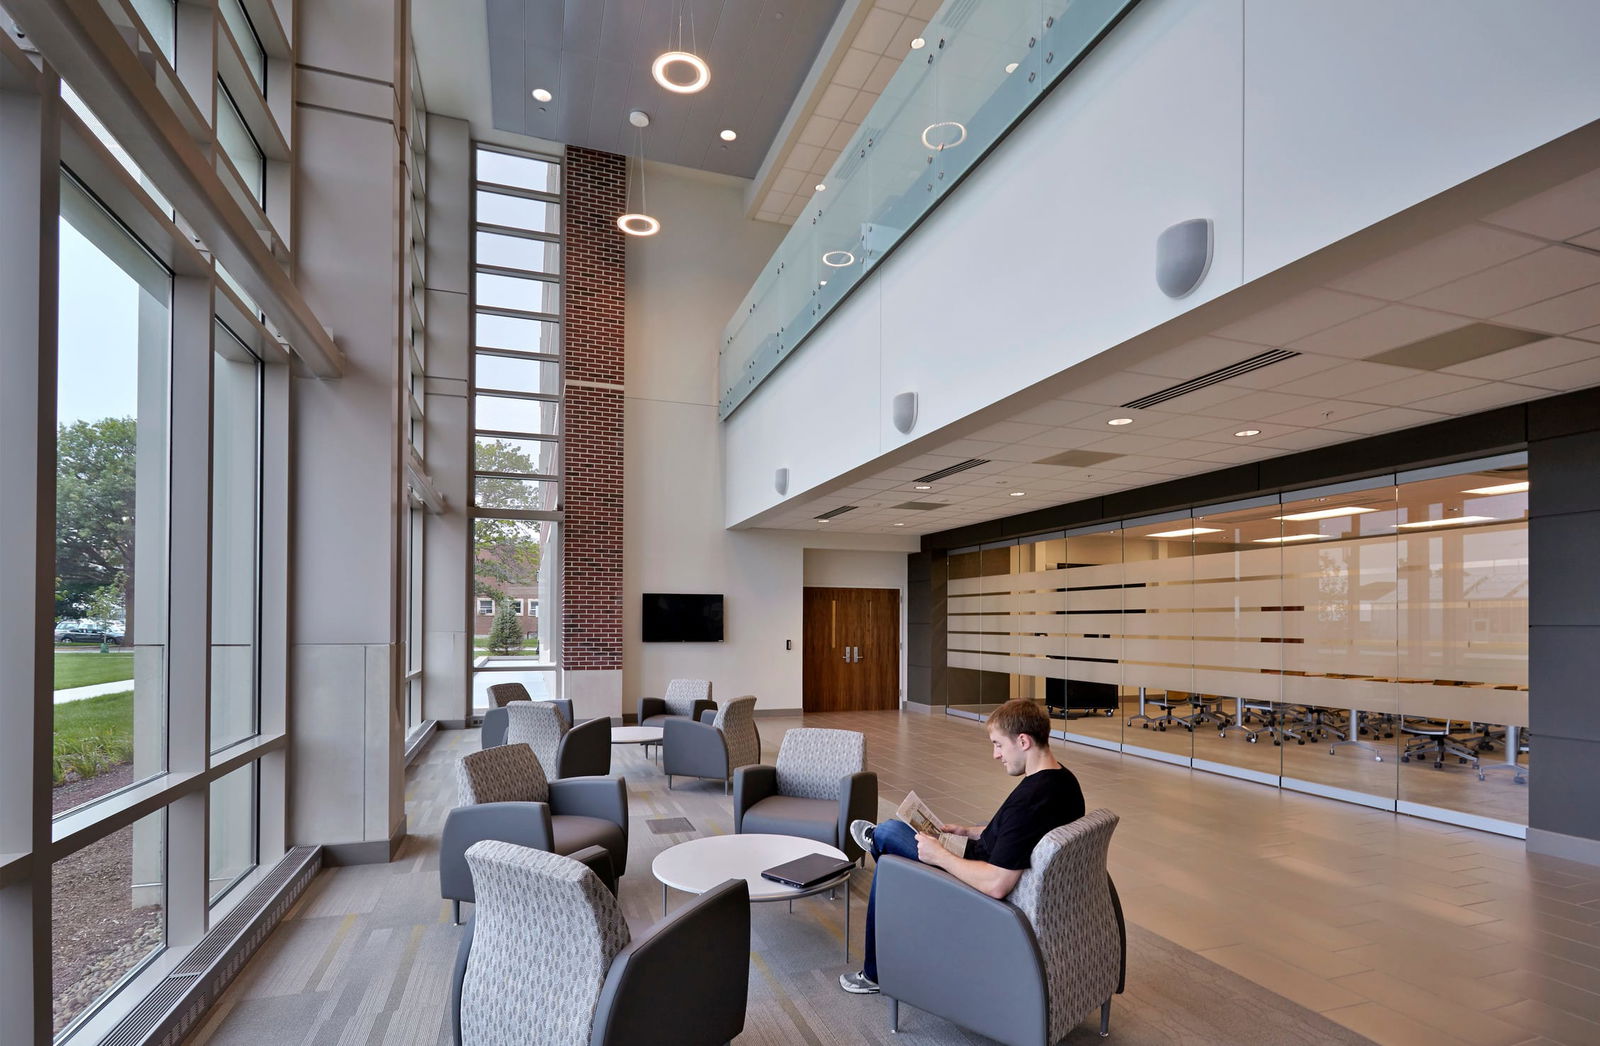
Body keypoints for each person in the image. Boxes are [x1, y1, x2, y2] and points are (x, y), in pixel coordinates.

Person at [838, 698, 1085, 994]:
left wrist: (941, 856)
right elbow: (1019, 836)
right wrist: (970, 831)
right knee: (897, 842)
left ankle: (874, 972)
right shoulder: (1064, 782)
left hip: (980, 887)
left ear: (1023, 741)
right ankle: (887, 856)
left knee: (890, 838)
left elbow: (996, 884)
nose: (995, 755)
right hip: (982, 856)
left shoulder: (1030, 801)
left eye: (998, 745)